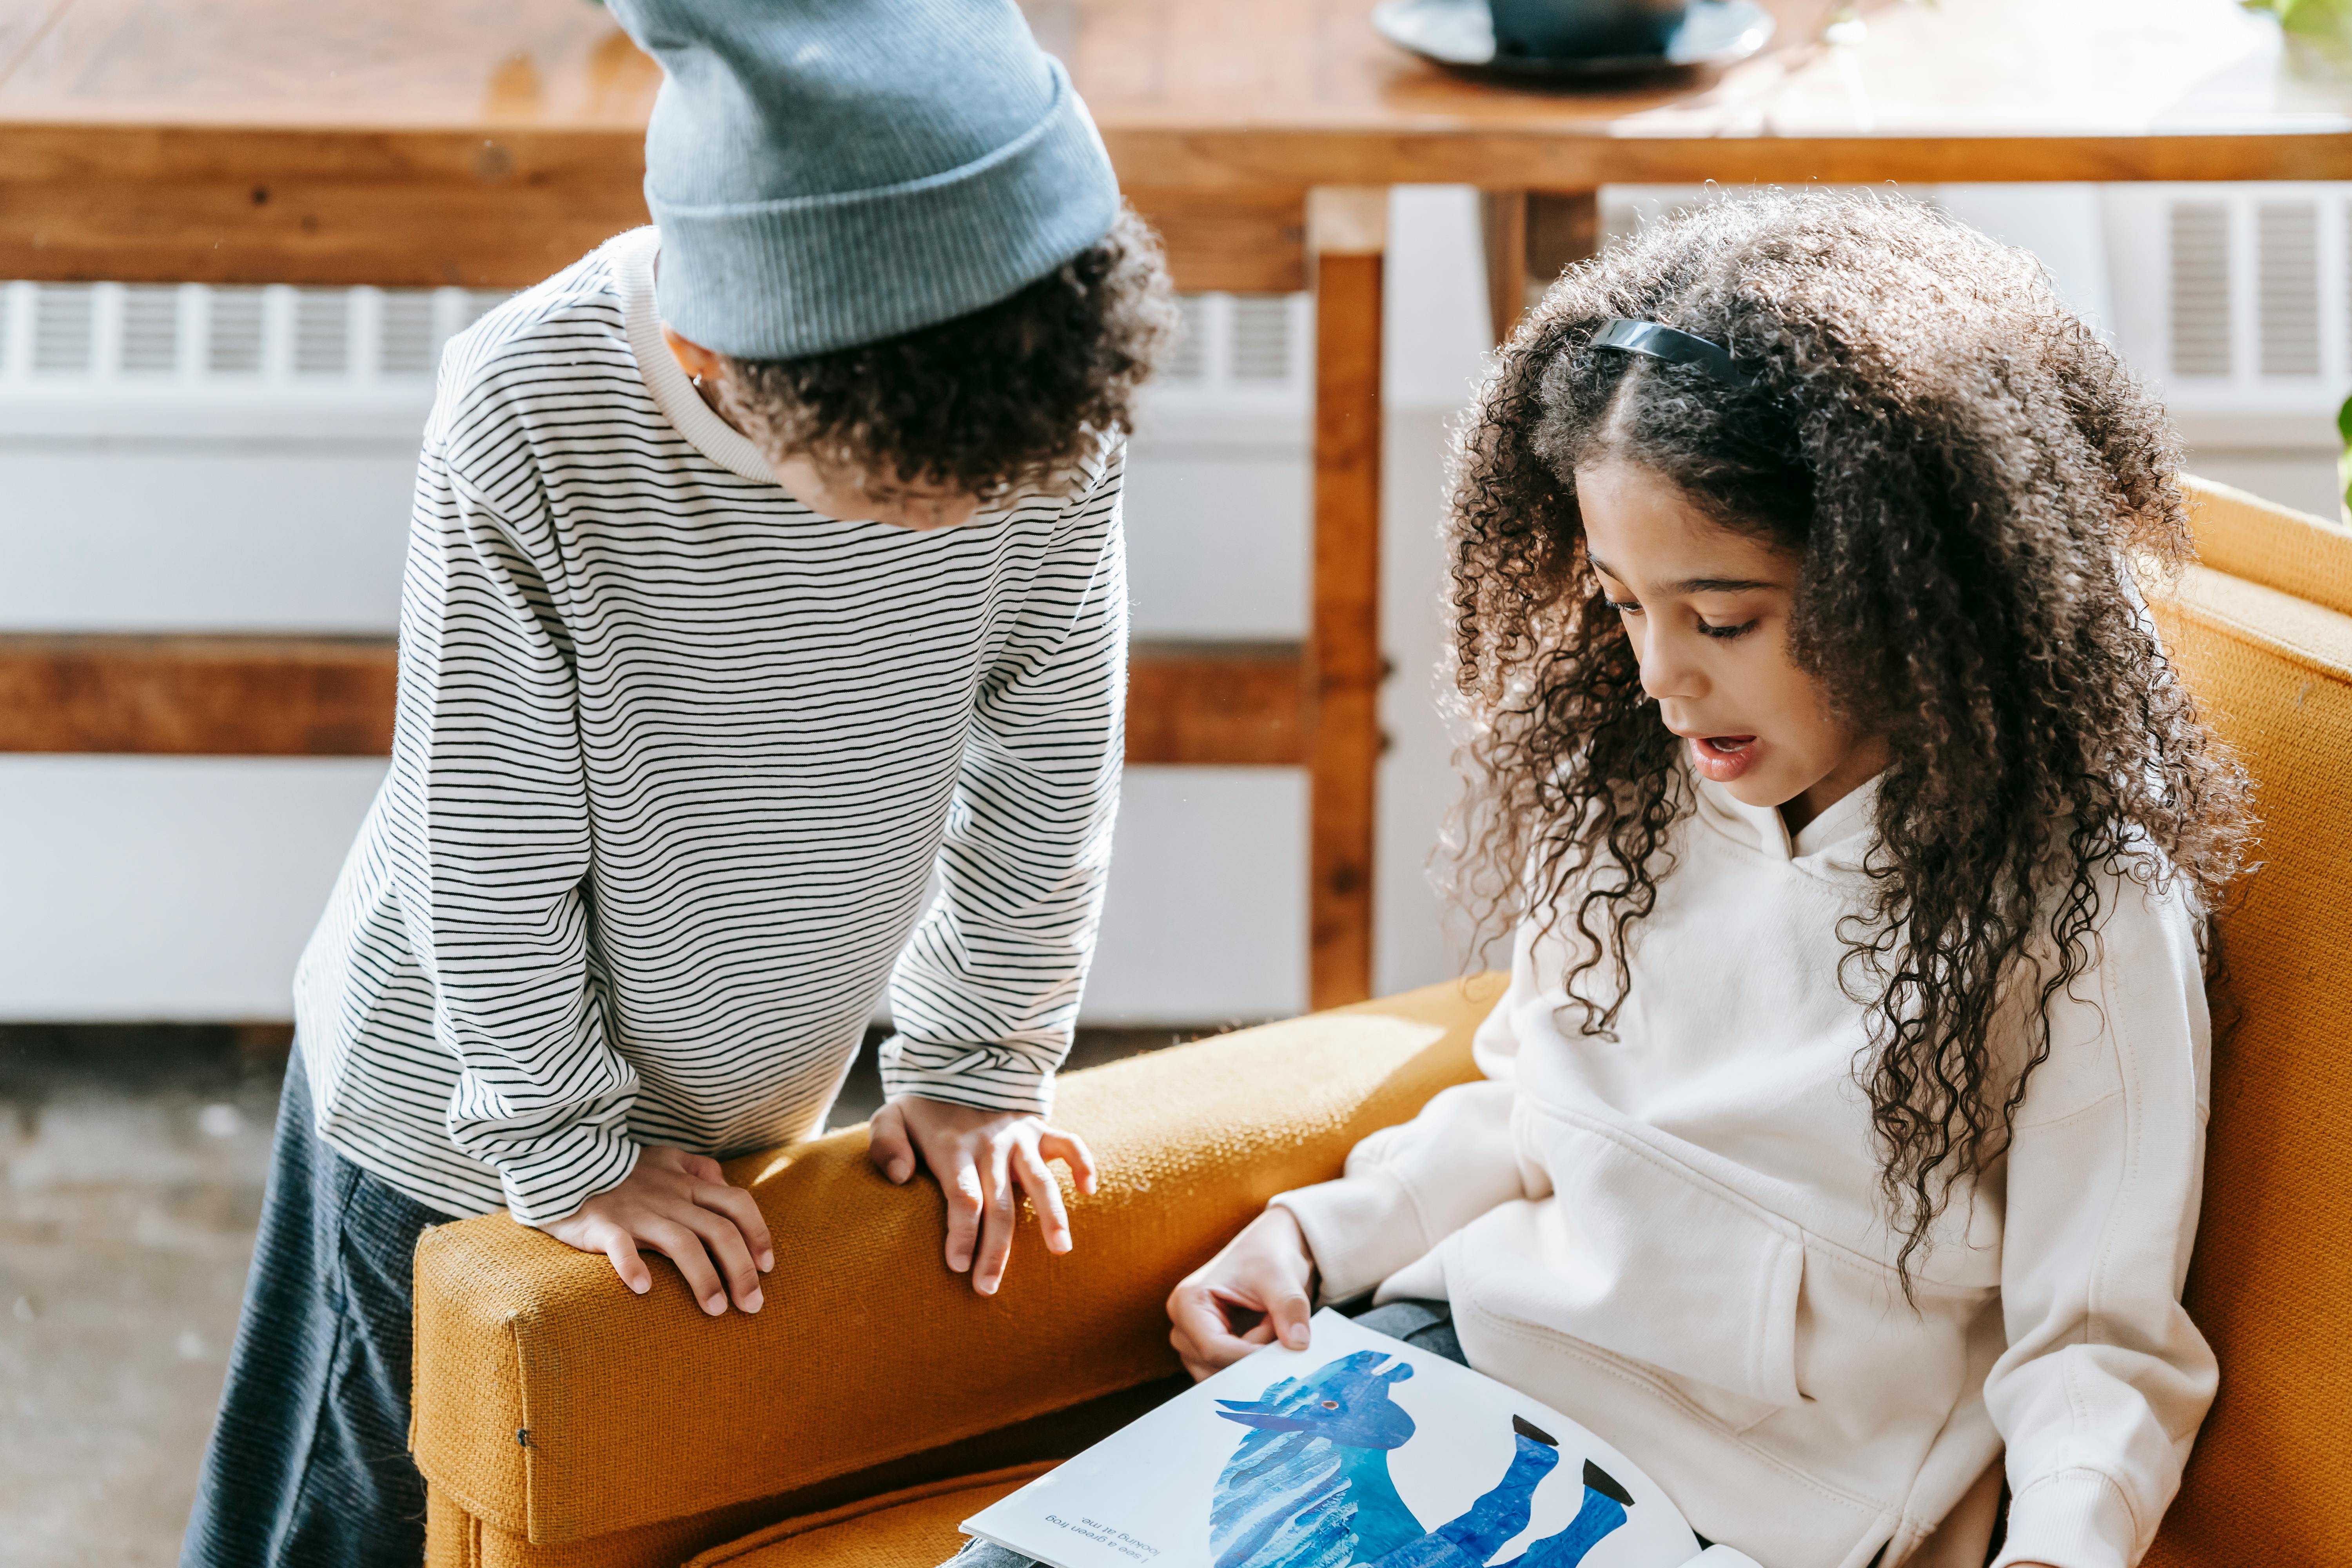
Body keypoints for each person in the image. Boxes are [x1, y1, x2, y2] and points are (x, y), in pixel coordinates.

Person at [960, 192, 2246, 1568]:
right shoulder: (1634, 790)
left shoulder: (2080, 909)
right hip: (1447, 1365)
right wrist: (1313, 1239)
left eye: (1724, 617)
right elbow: (1534, 1103)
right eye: (1627, 605)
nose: (1661, 675)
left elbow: (2097, 1343)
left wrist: (2061, 1549)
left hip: (1749, 1509)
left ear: (1906, 582)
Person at [181, 2, 1175, 1564]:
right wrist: (568, 1142)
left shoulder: (1037, 419)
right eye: (904, 503)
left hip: (748, 1090)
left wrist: (982, 1056)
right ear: (721, 362)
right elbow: (484, 850)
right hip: (452, 1113)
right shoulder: (528, 413)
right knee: (343, 1530)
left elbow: (1045, 748)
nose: (967, 527)